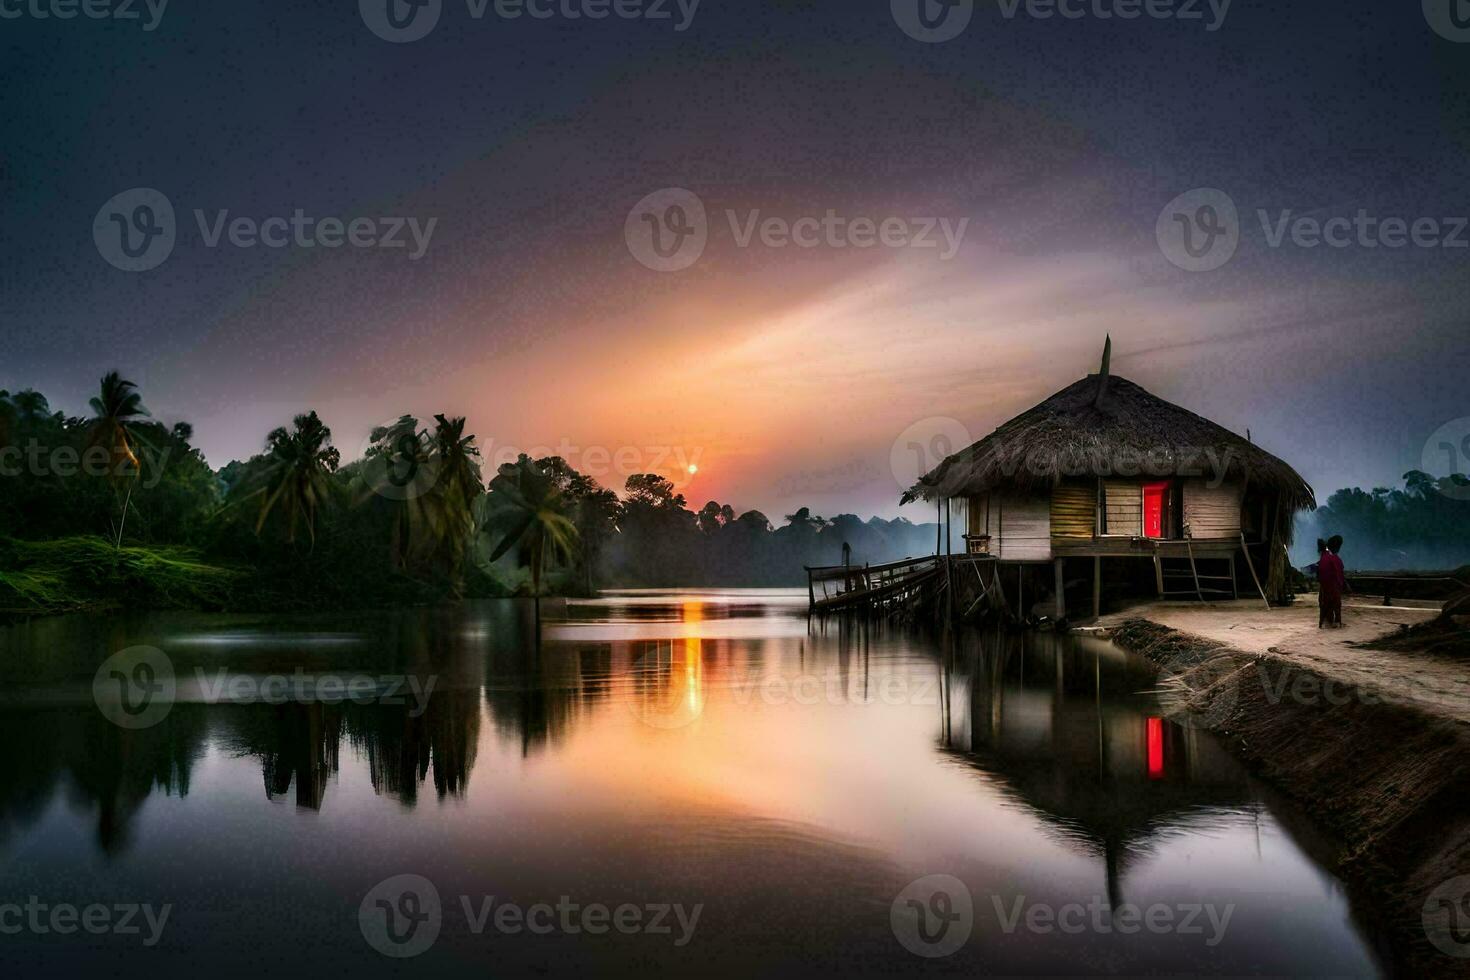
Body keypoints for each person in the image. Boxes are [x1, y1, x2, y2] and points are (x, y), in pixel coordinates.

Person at [1318, 535, 1347, 628]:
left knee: (1325, 605)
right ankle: (1336, 623)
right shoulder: (1335, 559)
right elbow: (1339, 574)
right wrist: (1342, 584)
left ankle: (1324, 622)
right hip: (1333, 586)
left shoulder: (1324, 556)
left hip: (1324, 586)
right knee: (1335, 605)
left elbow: (1321, 572)